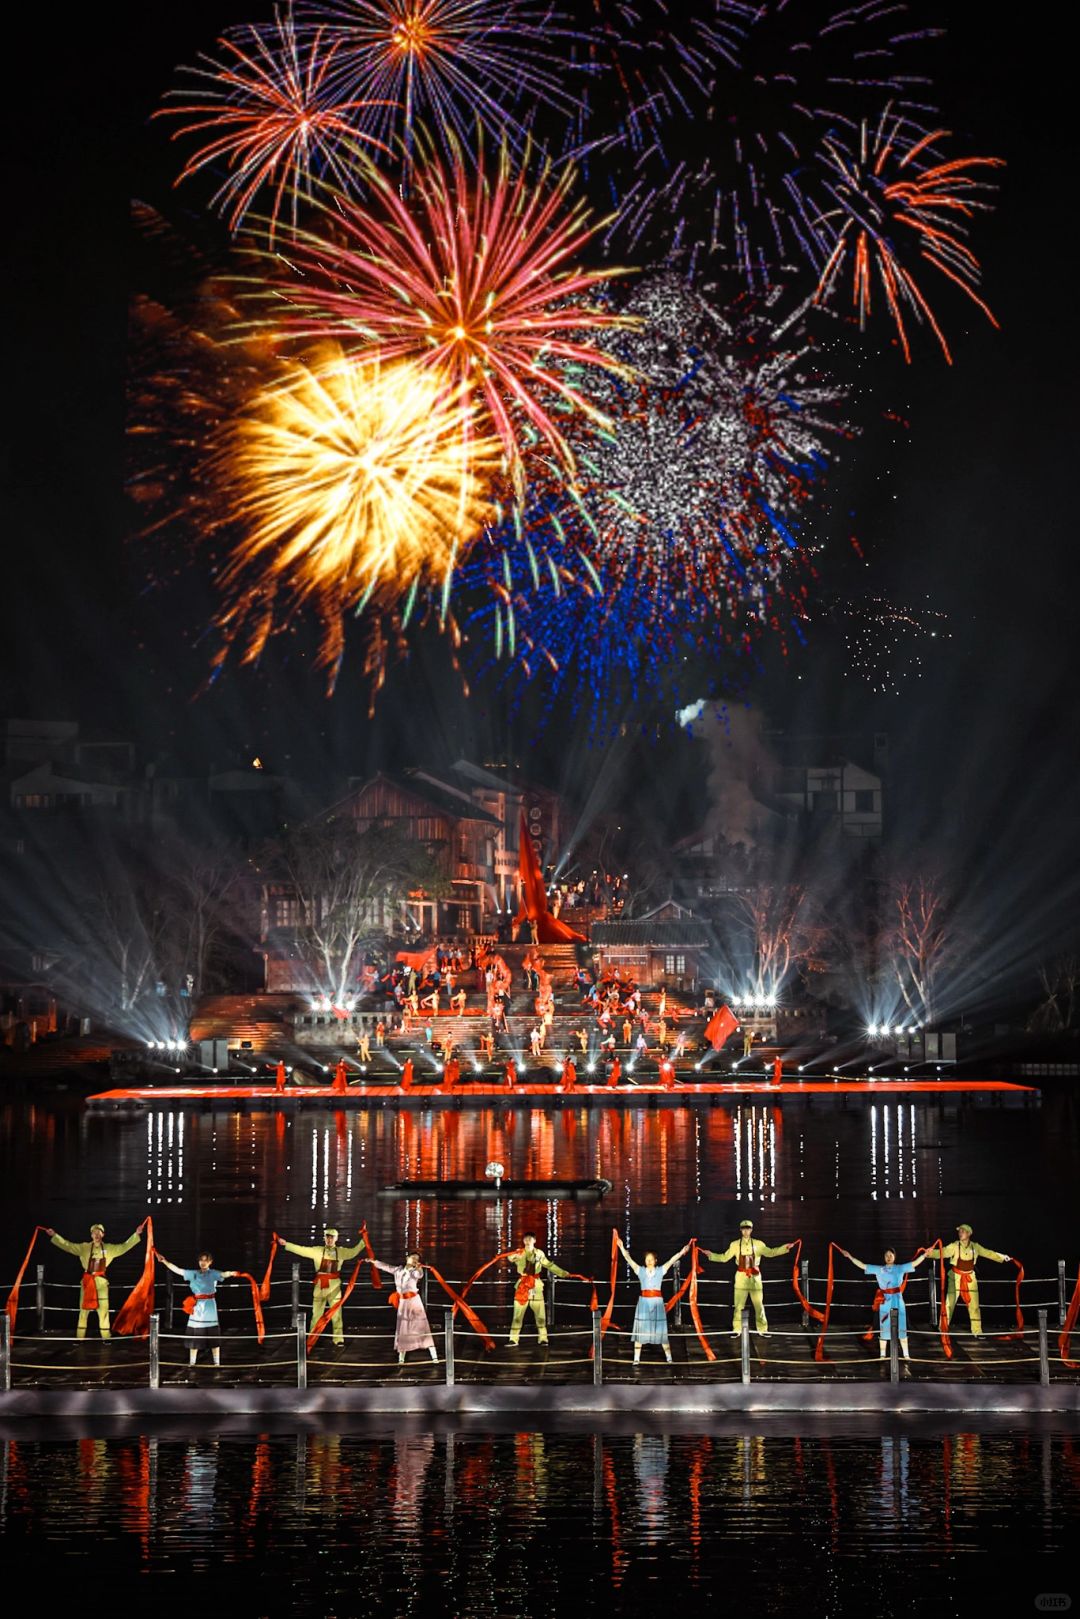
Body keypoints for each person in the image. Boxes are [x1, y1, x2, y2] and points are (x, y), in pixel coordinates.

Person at [836, 1245, 929, 1370]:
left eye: (891, 1255)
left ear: (894, 1257)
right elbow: (863, 1265)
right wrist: (850, 1257)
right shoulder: (879, 1270)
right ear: (884, 1258)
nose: (889, 1257)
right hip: (885, 1301)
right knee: (884, 1328)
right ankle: (882, 1355)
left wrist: (924, 1255)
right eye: (886, 1255)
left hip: (898, 1300)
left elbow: (914, 1263)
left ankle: (906, 1355)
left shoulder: (900, 1268)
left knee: (902, 1328)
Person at [47, 1222, 141, 1340]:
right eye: (94, 1233)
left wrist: (136, 1234)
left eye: (99, 1232)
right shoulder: (84, 1247)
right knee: (83, 1311)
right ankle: (80, 1338)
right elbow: (68, 1245)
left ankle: (106, 1337)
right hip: (87, 1282)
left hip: (101, 1283)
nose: (96, 1235)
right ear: (91, 1235)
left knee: (103, 1311)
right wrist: (54, 1235)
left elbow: (124, 1246)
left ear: (103, 1234)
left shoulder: (109, 1248)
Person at [278, 1226, 366, 1347]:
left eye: (332, 1237)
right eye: (327, 1237)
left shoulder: (341, 1252)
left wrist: (364, 1241)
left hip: (334, 1288)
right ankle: (312, 1338)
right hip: (320, 1287)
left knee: (337, 1314)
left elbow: (353, 1252)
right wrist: (286, 1244)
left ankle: (338, 1339)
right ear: (324, 1238)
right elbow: (302, 1250)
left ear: (336, 1238)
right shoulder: (318, 1250)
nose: (329, 1240)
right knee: (316, 1315)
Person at [703, 1219, 794, 1337]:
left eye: (748, 1229)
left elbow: (771, 1252)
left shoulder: (758, 1244)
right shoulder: (735, 1244)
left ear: (751, 1230)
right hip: (741, 1278)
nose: (746, 1231)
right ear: (740, 1230)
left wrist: (785, 1248)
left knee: (759, 1305)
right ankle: (737, 1329)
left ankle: (763, 1329)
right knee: (738, 1306)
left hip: (755, 1278)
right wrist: (711, 1255)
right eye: (744, 1229)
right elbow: (724, 1257)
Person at [924, 1224, 1012, 1336]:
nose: (960, 1233)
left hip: (970, 1278)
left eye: (963, 1231)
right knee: (949, 1304)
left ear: (969, 1233)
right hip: (955, 1277)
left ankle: (977, 1331)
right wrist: (929, 1253)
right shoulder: (955, 1246)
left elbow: (988, 1253)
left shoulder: (975, 1247)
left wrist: (1003, 1257)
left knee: (974, 1306)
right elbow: (943, 1252)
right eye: (959, 1231)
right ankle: (943, 1328)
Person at [615, 1235, 690, 1364]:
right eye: (647, 1259)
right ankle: (636, 1359)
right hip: (644, 1303)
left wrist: (682, 1251)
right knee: (641, 1330)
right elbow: (628, 1259)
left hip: (657, 1303)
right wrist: (621, 1247)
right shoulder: (640, 1271)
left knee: (661, 1330)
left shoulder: (661, 1270)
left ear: (655, 1260)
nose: (649, 1261)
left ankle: (669, 1357)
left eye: (651, 1259)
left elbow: (672, 1260)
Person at [159, 1250, 240, 1370]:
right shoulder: (193, 1274)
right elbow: (178, 1270)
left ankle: (216, 1362)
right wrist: (164, 1261)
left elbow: (223, 1274)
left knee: (213, 1334)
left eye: (205, 1260)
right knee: (195, 1333)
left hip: (210, 1305)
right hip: (197, 1306)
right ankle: (192, 1362)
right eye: (201, 1260)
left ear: (210, 1262)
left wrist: (232, 1273)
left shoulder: (213, 1273)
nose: (203, 1262)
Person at [372, 1251, 438, 1365]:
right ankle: (401, 1357)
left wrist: (419, 1268)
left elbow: (419, 1275)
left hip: (414, 1302)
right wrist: (373, 1261)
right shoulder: (398, 1270)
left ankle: (434, 1355)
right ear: (407, 1258)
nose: (414, 1260)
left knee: (421, 1326)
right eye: (413, 1257)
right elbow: (386, 1267)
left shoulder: (414, 1272)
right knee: (403, 1327)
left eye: (416, 1259)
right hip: (403, 1303)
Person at [506, 1233, 570, 1347]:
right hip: (522, 1286)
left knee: (540, 1315)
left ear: (534, 1241)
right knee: (517, 1315)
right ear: (523, 1241)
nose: (527, 1241)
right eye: (525, 1239)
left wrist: (562, 1273)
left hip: (535, 1286)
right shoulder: (519, 1252)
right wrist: (515, 1254)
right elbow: (509, 1258)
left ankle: (543, 1338)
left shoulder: (539, 1253)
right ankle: (513, 1339)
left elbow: (549, 1265)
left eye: (530, 1239)